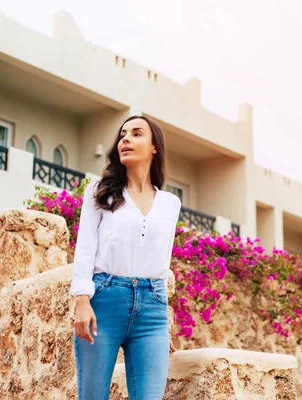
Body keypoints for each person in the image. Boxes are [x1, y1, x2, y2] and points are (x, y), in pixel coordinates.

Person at [70, 115, 181, 399]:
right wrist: (82, 301)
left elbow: (162, 262)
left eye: (136, 133)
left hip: (152, 310)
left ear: (155, 146)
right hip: (104, 302)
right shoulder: (100, 193)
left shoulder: (171, 204)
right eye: (122, 135)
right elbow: (85, 248)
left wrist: (164, 319)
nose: (126, 139)